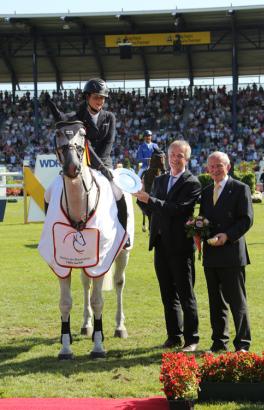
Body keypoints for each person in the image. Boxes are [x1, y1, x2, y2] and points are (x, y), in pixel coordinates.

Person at [134, 140, 201, 351]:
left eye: (179, 155)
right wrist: (141, 200)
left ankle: (192, 339)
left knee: (185, 294)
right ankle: (174, 336)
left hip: (180, 246)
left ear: (187, 158)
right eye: (172, 154)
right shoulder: (161, 180)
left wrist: (150, 200)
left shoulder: (192, 183)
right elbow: (154, 211)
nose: (174, 158)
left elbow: (177, 209)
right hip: (160, 244)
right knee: (167, 294)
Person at [46, 78, 127, 229]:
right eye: (96, 97)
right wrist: (52, 107)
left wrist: (102, 168)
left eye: (102, 98)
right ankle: (51, 230)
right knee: (49, 192)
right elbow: (84, 145)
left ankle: (123, 232)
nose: (100, 101)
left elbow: (108, 143)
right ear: (87, 97)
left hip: (103, 163)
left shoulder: (110, 117)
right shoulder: (77, 117)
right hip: (81, 163)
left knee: (118, 191)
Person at [200, 151, 253, 353]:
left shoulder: (240, 189)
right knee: (215, 302)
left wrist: (227, 236)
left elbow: (246, 219)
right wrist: (197, 230)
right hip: (211, 254)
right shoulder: (206, 192)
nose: (214, 170)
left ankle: (242, 344)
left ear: (228, 166)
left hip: (231, 253)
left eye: (218, 165)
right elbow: (203, 219)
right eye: (211, 166)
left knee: (237, 301)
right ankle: (219, 342)